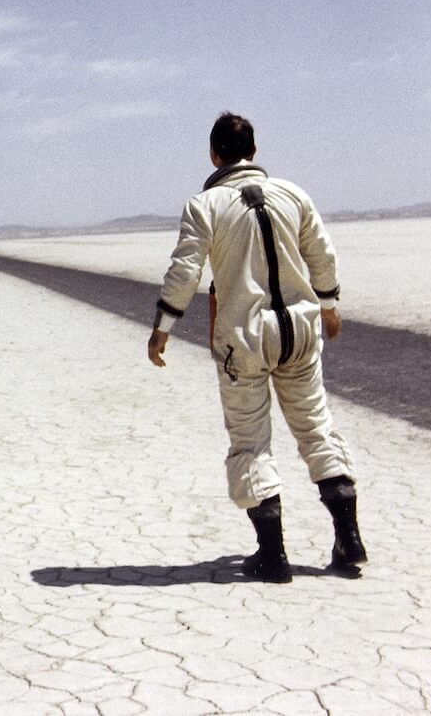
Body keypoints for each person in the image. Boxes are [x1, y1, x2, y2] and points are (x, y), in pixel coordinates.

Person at [147, 112, 366, 583]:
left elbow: (185, 270)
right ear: (254, 151)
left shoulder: (205, 205)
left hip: (244, 339)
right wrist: (328, 306)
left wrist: (163, 326)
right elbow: (322, 254)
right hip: (301, 331)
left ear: (214, 153)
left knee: (250, 442)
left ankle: (273, 557)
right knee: (315, 429)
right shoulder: (294, 194)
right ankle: (348, 539)